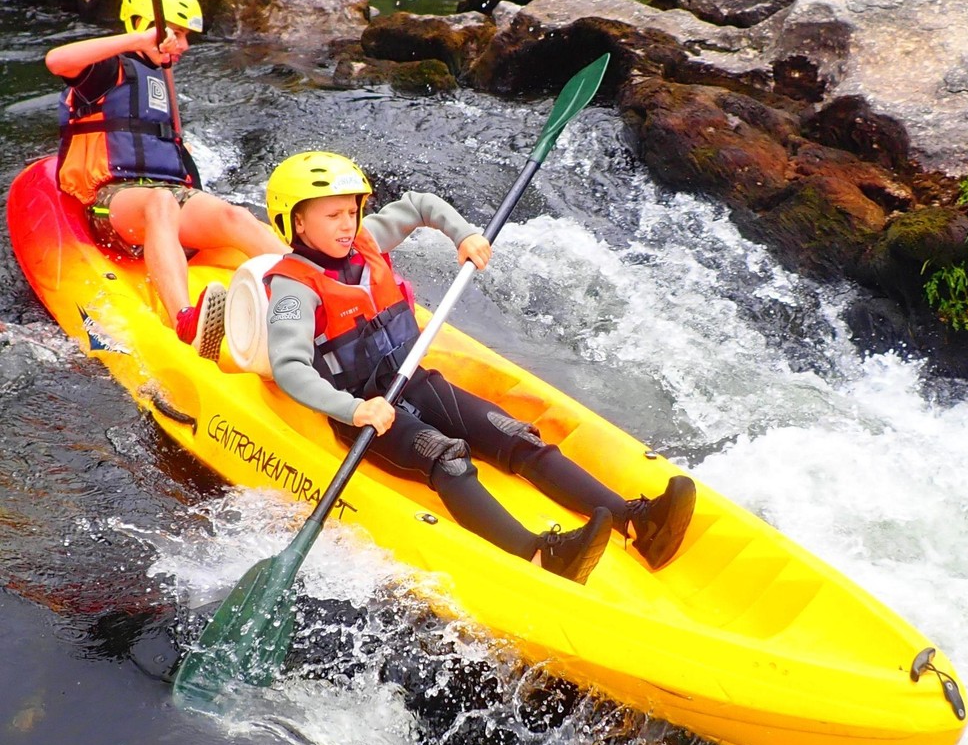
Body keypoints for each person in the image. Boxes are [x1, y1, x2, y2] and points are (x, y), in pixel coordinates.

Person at [262, 151, 696, 585]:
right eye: (333, 215)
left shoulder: (365, 240)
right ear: (297, 222)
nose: (347, 223)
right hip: (364, 413)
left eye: (352, 211)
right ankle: (539, 556)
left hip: (411, 380)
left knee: (514, 434)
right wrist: (354, 410)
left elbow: (419, 204)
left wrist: (464, 235)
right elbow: (290, 367)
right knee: (445, 456)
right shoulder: (293, 290)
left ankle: (636, 522)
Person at [44, 0, 288, 359]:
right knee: (160, 203)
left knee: (235, 217)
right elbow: (55, 60)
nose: (184, 45)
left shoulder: (161, 79)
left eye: (186, 36)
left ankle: (315, 289)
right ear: (141, 24)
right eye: (175, 33)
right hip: (114, 200)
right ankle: (184, 320)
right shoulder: (106, 71)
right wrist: (139, 40)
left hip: (170, 194)